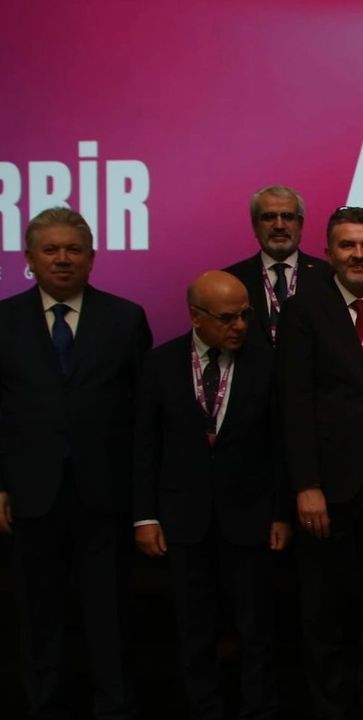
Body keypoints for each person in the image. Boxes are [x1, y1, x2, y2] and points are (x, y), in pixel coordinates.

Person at [0, 207, 152, 719]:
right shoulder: (4, 321)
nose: (62, 259)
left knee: (110, 615)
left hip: (105, 494)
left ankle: (116, 708)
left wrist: (143, 501)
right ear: (29, 258)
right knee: (38, 616)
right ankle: (45, 707)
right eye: (51, 250)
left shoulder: (125, 319)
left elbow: (143, 417)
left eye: (73, 249)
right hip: (30, 493)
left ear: (92, 257)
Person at [276, 206, 363, 720]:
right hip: (328, 486)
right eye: (347, 245)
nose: (359, 254)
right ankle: (331, 708)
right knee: (324, 607)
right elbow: (292, 402)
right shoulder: (303, 310)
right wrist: (306, 484)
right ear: (328, 252)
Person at [133, 270, 291, 720]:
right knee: (194, 627)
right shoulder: (160, 364)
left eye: (245, 315)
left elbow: (281, 443)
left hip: (251, 517)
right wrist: (145, 516)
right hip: (183, 519)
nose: (239, 326)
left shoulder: (266, 363)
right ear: (195, 317)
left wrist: (281, 512)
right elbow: (145, 444)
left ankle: (259, 710)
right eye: (227, 318)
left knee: (257, 629)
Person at [225, 185, 331, 346]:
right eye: (269, 217)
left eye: (287, 216)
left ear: (300, 224)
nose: (279, 226)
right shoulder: (231, 280)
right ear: (255, 225)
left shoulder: (329, 277)